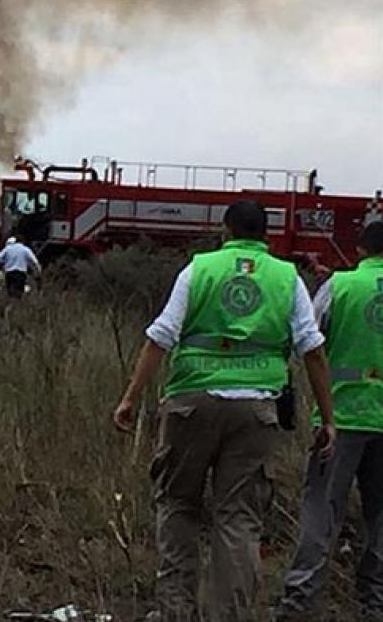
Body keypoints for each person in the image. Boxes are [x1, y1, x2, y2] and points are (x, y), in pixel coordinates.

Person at [112, 199, 336, 622]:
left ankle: (176, 612)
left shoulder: (198, 269)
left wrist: (130, 398)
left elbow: (161, 336)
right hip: (256, 410)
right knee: (238, 518)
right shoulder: (287, 277)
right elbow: (312, 350)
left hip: (191, 403)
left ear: (225, 230)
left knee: (179, 505)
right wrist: (328, 418)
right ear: (266, 235)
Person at [275, 221, 383, 621]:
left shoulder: (340, 286)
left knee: (321, 511)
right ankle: (375, 603)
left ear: (360, 250)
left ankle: (300, 603)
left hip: (341, 417)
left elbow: (309, 342)